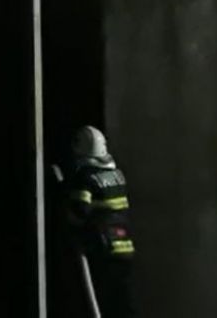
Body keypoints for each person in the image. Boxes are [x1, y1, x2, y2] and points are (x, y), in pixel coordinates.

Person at [67, 126, 135, 317]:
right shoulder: (117, 175)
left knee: (104, 302)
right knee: (123, 302)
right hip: (125, 247)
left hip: (102, 248)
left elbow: (79, 210)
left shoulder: (85, 177)